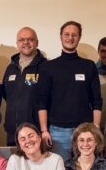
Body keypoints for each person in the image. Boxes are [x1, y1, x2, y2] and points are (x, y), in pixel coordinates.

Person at [37, 20, 102, 158]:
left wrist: (96, 127)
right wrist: (44, 130)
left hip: (85, 131)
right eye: (66, 34)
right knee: (61, 169)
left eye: (74, 35)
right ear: (60, 36)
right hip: (58, 132)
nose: (70, 38)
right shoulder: (48, 67)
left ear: (79, 37)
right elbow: (42, 101)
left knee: (84, 169)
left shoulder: (89, 66)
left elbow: (97, 100)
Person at [1, 27, 48, 146]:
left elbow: (48, 99)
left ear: (37, 42)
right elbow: (7, 95)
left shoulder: (45, 67)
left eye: (30, 39)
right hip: (12, 131)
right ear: (17, 43)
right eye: (22, 40)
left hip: (35, 132)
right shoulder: (11, 67)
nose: (26, 42)